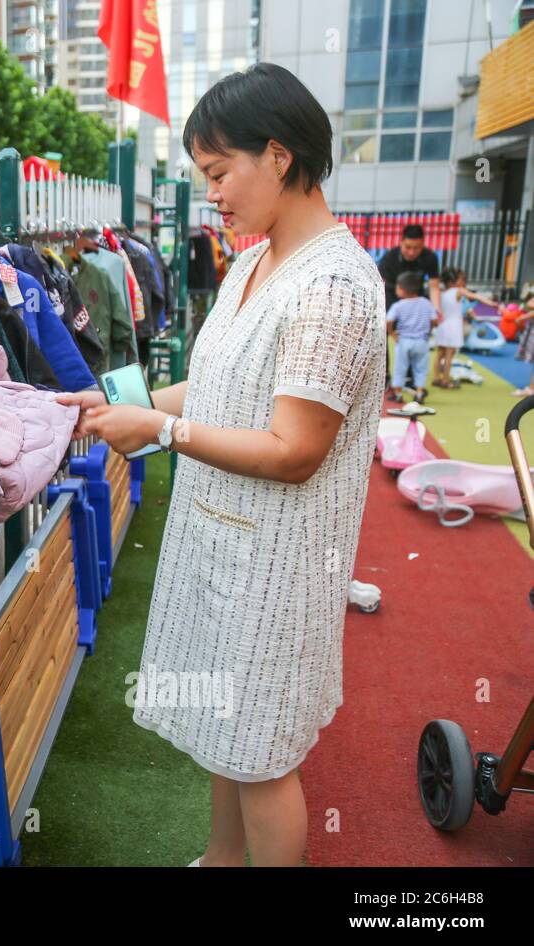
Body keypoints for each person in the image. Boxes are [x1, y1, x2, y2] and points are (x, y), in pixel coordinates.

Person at [57, 62, 385, 867]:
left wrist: (161, 434)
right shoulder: (253, 261)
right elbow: (215, 385)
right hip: (223, 539)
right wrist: (112, 402)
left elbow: (296, 450)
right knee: (227, 739)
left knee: (262, 755)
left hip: (278, 559)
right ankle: (222, 859)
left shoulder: (335, 286)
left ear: (278, 156)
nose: (213, 193)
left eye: (218, 172)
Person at [433, 268, 497, 389]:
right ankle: (446, 380)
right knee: (449, 355)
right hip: (453, 326)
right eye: (462, 279)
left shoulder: (442, 293)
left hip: (443, 326)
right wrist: (492, 304)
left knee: (440, 353)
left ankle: (436, 378)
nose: (464, 282)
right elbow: (475, 296)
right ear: (453, 282)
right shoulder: (458, 290)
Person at [386, 271, 440, 403]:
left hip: (404, 340)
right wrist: (429, 330)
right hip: (421, 341)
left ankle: (398, 394)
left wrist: (392, 333)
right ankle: (420, 392)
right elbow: (434, 320)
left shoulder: (398, 306)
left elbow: (388, 321)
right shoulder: (426, 303)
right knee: (421, 368)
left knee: (400, 367)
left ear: (401, 289)